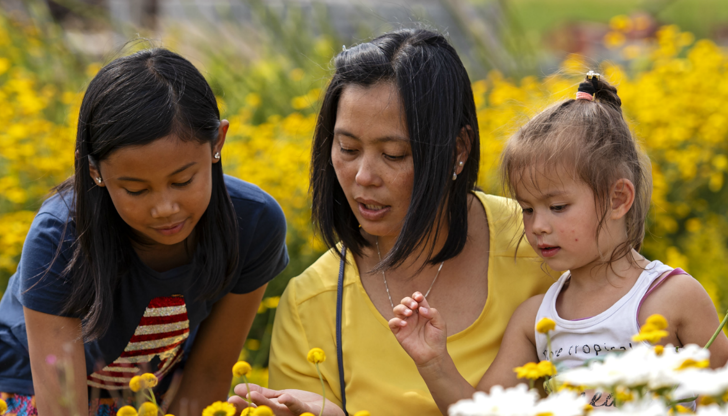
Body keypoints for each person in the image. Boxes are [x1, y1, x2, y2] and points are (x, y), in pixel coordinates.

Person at [388, 73, 728, 413]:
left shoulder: (671, 295)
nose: (538, 226)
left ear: (619, 198)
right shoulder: (536, 319)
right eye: (527, 209)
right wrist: (434, 362)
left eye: (557, 206)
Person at [226, 29, 557, 416]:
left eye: (394, 154)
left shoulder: (542, 243)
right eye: (347, 148)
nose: (364, 176)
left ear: (458, 150)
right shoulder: (311, 304)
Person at [0, 48, 289, 416]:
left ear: (217, 142)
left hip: (150, 387)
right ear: (95, 171)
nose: (164, 208)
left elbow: (208, 373)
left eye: (182, 180)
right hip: (38, 386)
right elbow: (62, 406)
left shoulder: (253, 223)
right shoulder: (60, 236)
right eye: (136, 190)